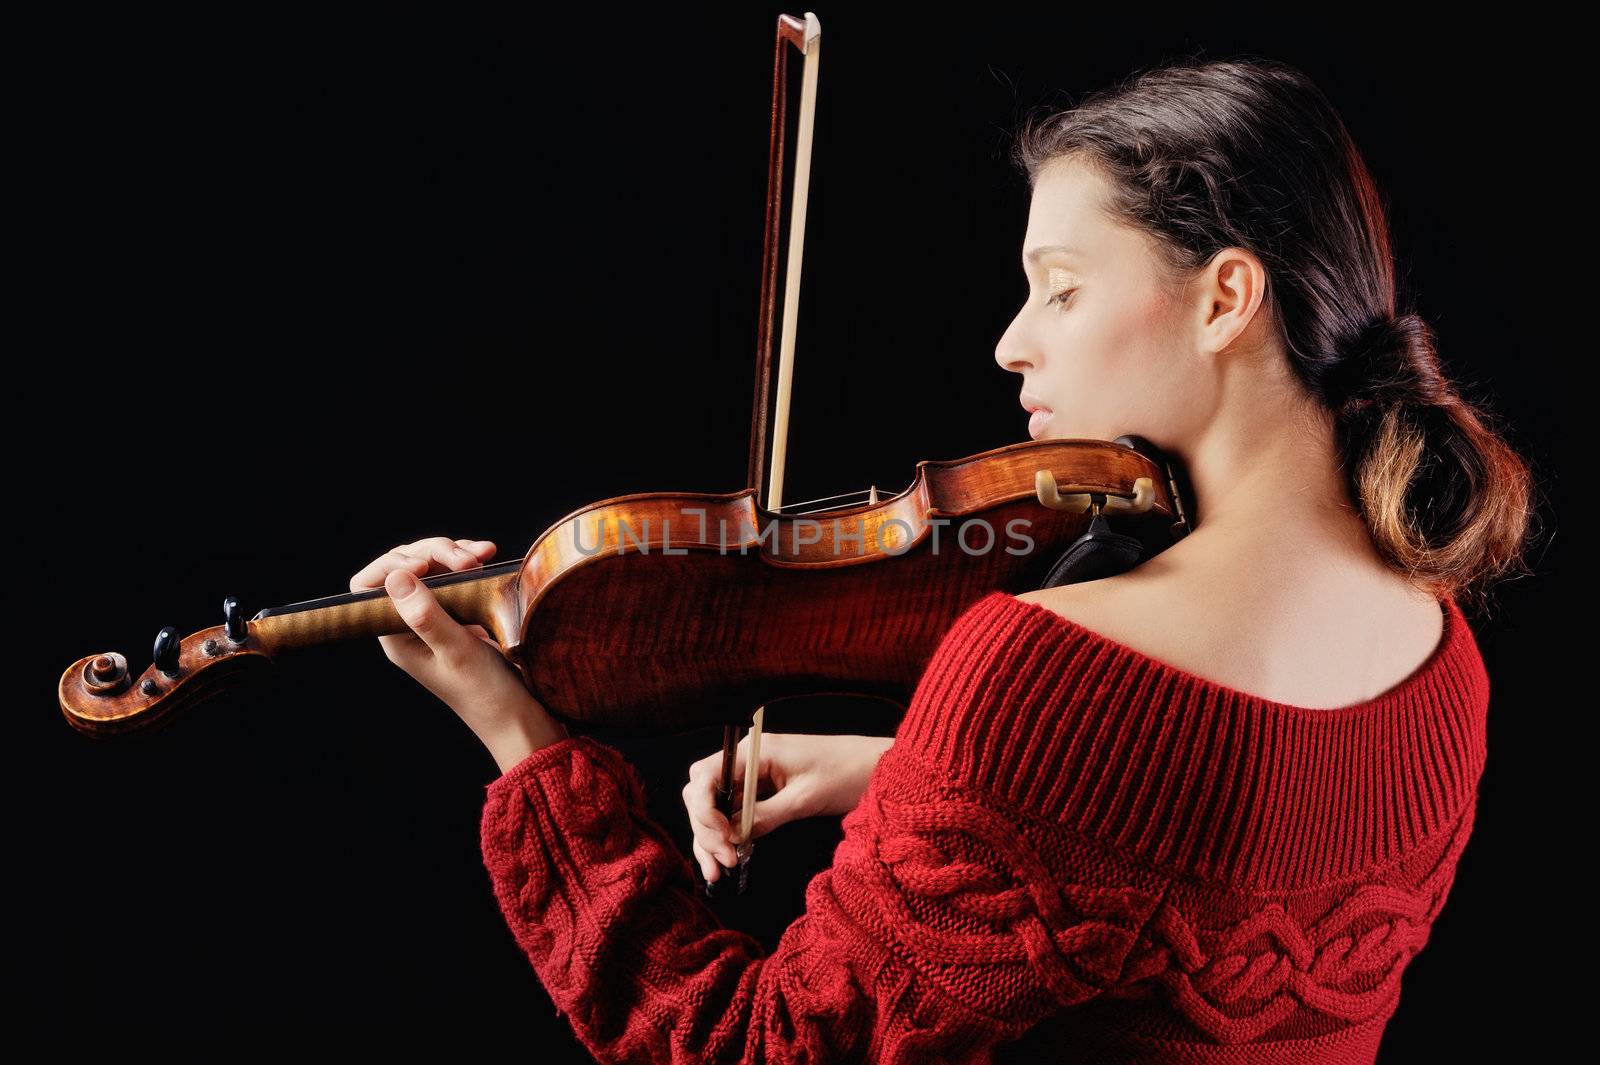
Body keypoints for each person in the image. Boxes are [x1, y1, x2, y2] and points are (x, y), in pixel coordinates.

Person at [350, 57, 1533, 1063]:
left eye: (1058, 292)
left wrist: (525, 746)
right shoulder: (1442, 664)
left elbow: (745, 1044)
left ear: (1226, 296)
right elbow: (1203, 872)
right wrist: (905, 775)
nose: (1012, 343)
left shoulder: (1036, 666)